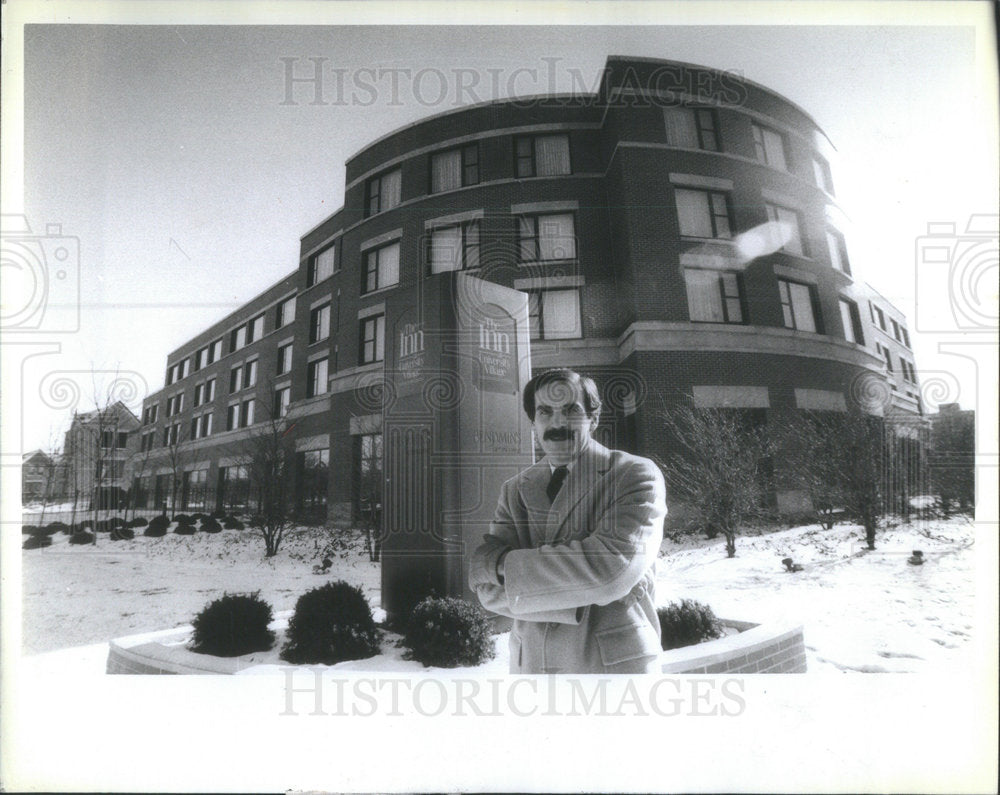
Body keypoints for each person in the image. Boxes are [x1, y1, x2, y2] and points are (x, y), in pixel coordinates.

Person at [469, 368, 667, 674]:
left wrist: (502, 569)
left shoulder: (635, 475)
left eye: (571, 410)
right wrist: (576, 589)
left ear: (594, 418)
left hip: (610, 671)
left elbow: (610, 570)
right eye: (545, 412)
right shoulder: (514, 490)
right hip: (532, 671)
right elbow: (487, 591)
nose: (558, 422)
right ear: (533, 423)